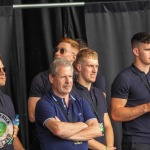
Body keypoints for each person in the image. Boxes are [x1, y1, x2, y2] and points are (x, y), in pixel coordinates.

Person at [35, 58, 102, 150]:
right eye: (63, 77)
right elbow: (58, 130)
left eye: (70, 77)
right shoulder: (44, 103)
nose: (68, 81)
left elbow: (97, 130)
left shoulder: (81, 102)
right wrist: (83, 125)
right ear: (51, 78)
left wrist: (66, 135)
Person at [111, 32, 150, 150]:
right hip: (137, 142)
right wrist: (146, 107)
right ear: (136, 52)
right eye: (148, 49)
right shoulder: (124, 78)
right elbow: (115, 114)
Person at [72, 49, 116, 150]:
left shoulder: (99, 93)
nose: (94, 70)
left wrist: (109, 147)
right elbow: (75, 133)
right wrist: (104, 149)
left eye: (96, 66)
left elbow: (107, 125)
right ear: (79, 67)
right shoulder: (70, 94)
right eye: (90, 66)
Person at [0, 55, 25, 150]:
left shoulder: (7, 100)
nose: (3, 73)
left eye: (4, 69)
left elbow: (11, 137)